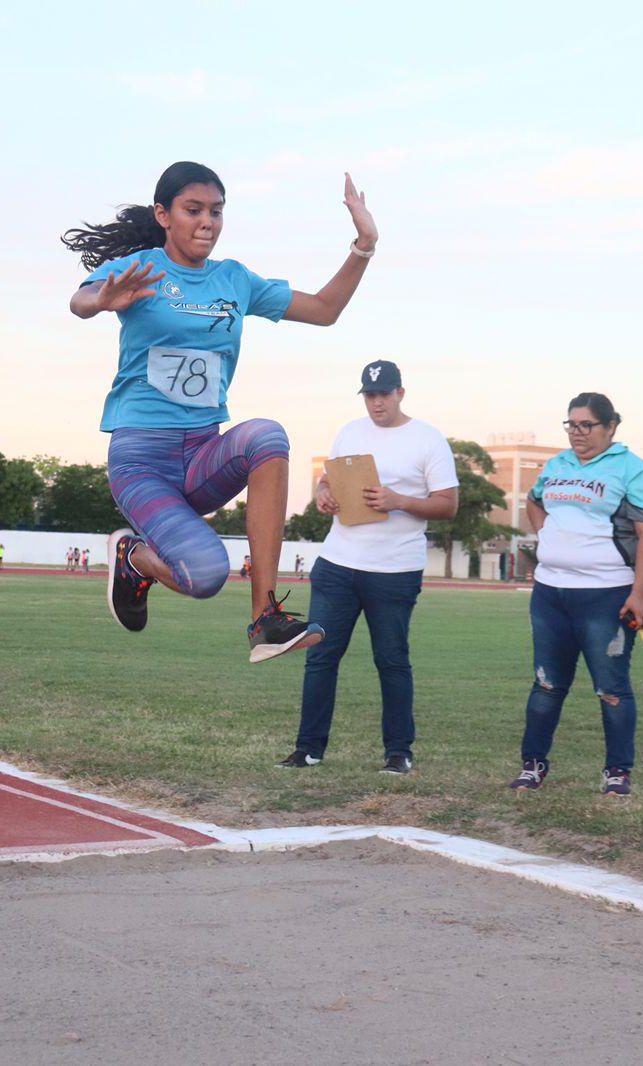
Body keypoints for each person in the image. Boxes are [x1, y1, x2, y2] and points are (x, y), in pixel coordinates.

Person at [65, 160, 377, 663]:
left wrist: (364, 246)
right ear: (164, 215)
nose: (207, 221)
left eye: (216, 211)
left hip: (204, 452)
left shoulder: (233, 280)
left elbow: (324, 309)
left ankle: (265, 619)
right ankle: (134, 556)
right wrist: (101, 299)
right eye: (193, 210)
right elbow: (79, 301)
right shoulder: (142, 268)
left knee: (267, 435)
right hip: (142, 460)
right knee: (206, 577)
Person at [277, 361, 458, 774]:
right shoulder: (350, 431)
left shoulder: (428, 439)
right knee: (320, 657)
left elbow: (448, 505)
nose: (377, 402)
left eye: (384, 394)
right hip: (338, 563)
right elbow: (328, 480)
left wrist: (399, 501)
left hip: (394, 571)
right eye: (370, 394)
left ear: (400, 393)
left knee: (391, 660)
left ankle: (398, 752)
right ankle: (308, 749)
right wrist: (324, 494)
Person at [507, 392, 643, 798]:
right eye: (571, 424)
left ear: (610, 427)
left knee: (611, 688)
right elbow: (534, 500)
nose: (577, 433)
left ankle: (617, 772)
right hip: (550, 592)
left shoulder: (633, 470)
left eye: (586, 425)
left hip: (604, 594)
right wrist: (547, 536)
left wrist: (639, 594)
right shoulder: (557, 464)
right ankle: (533, 765)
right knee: (546, 683)